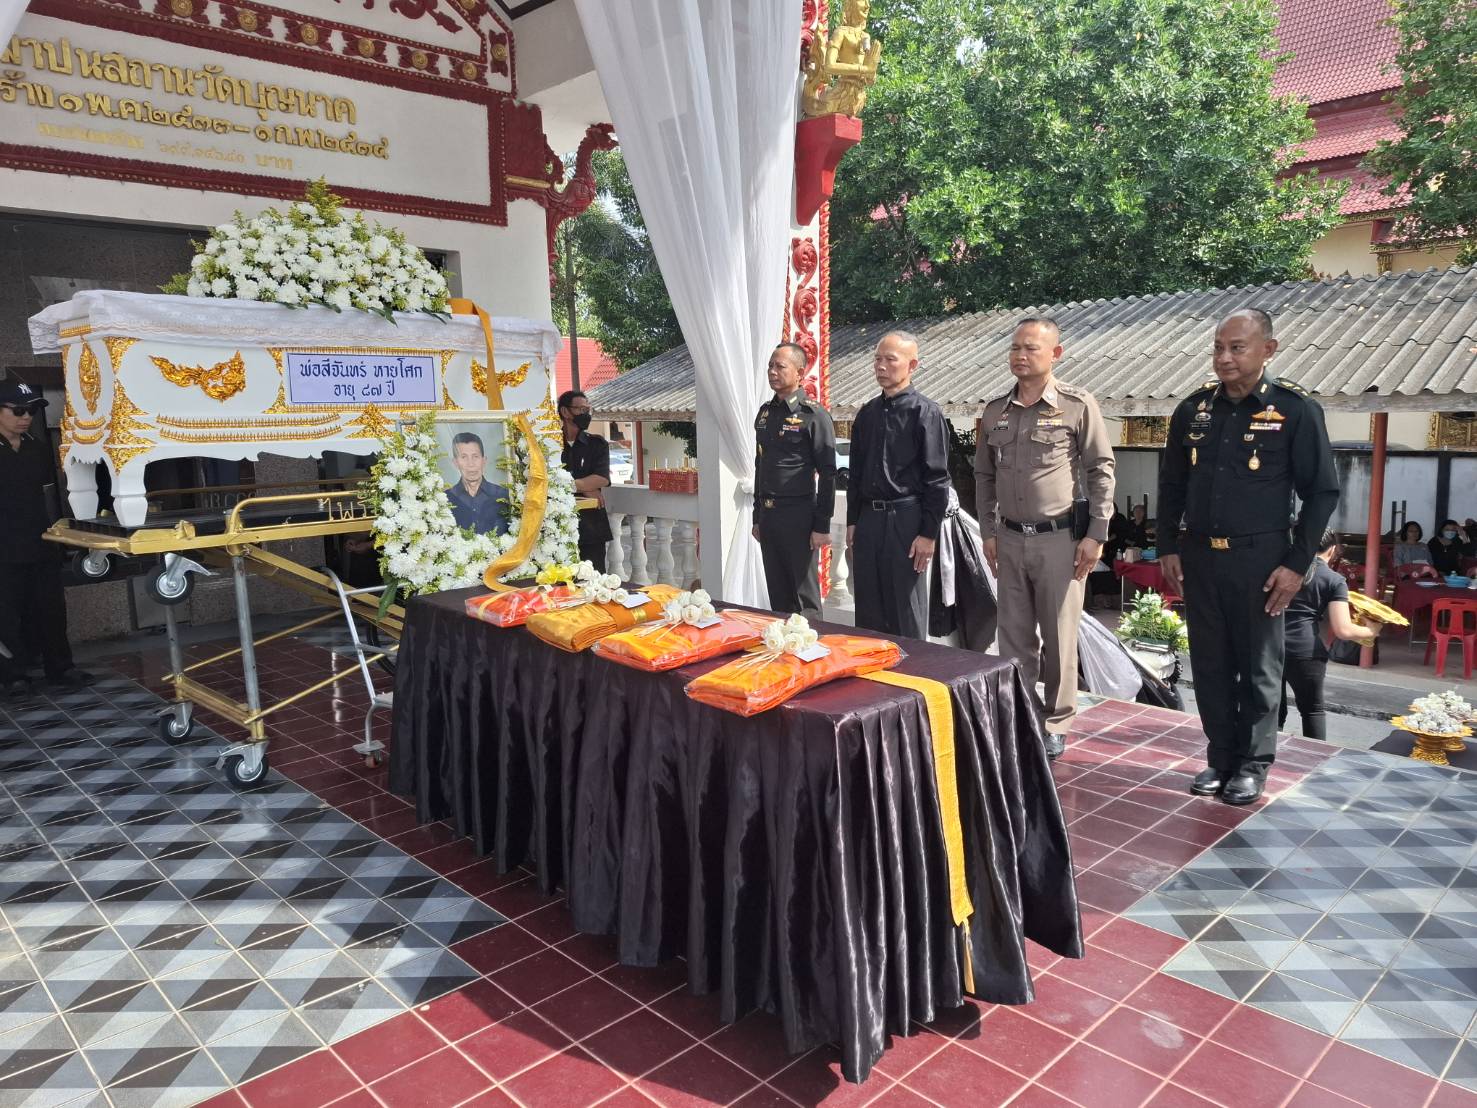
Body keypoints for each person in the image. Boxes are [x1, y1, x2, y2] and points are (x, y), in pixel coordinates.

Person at [1158, 308, 1338, 806]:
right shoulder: (1193, 410)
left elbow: (1322, 492)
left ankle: (1253, 763)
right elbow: (1172, 484)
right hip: (1200, 558)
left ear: (1268, 350)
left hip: (1262, 561)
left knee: (1260, 665)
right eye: (1219, 347)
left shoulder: (1295, 411)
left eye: (1237, 347)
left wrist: (1297, 564)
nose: (1224, 357)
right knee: (1210, 663)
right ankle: (1220, 756)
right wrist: (1168, 545)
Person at [976, 318, 1116, 753]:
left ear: (1055, 354)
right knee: (1013, 637)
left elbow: (1101, 469)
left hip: (1060, 541)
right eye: (1015, 347)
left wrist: (1096, 534)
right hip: (1009, 538)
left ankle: (1057, 720)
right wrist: (988, 531)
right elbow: (984, 476)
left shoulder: (1077, 405)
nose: (1020, 355)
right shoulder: (995, 411)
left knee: (1059, 636)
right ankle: (1020, 713)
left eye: (1031, 348)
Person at [845, 332, 951, 639]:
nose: (881, 366)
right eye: (877, 359)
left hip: (906, 519)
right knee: (867, 607)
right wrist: (853, 521)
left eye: (890, 359)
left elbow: (937, 479)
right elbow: (855, 473)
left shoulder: (925, 412)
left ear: (912, 365)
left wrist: (928, 534)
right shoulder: (867, 414)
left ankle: (912, 669)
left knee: (905, 607)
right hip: (869, 519)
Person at [0, 378, 90, 697]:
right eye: (18, 411)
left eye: (32, 411)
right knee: (7, 614)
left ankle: (60, 667)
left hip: (40, 542)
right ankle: (14, 675)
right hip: (4, 549)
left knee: (51, 609)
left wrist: (60, 535)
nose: (26, 417)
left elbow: (49, 494)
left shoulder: (36, 448)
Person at [751, 343, 837, 615]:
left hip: (798, 516)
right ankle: (783, 640)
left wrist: (822, 525)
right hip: (769, 516)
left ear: (800, 373)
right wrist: (757, 516)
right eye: (770, 366)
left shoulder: (813, 415)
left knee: (804, 598)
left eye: (780, 366)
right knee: (778, 593)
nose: (772, 371)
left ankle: (812, 641)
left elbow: (828, 474)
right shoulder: (766, 413)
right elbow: (761, 467)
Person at [1280, 530, 1378, 740]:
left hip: (1268, 647)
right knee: (1312, 711)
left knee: (1270, 711)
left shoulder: (1279, 571)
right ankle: (1315, 757)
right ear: (1332, 549)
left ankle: (1264, 756)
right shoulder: (1333, 579)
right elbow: (1344, 630)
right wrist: (1371, 630)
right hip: (1306, 651)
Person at [558, 391, 614, 571]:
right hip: (559, 528)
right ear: (565, 412)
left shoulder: (597, 444)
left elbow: (601, 478)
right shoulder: (551, 444)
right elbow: (549, 480)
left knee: (594, 578)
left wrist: (572, 485)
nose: (586, 414)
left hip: (591, 527)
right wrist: (587, 487)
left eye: (587, 409)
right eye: (581, 409)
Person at [445, 431, 509, 536]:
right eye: (464, 457)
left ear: (484, 460)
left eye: (475, 456)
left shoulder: (503, 495)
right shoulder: (445, 499)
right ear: (455, 463)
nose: (471, 464)